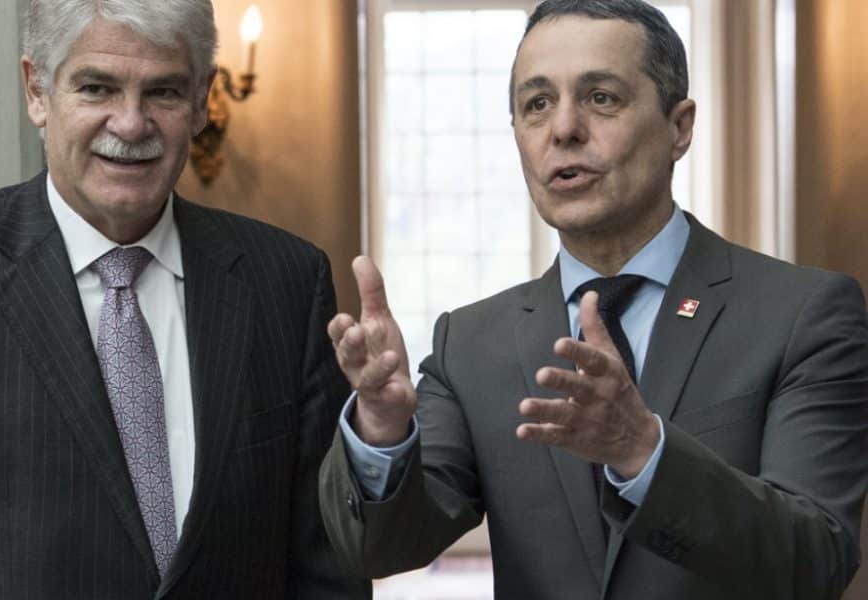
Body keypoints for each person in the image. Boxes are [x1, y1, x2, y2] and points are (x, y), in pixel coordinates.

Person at [319, 1, 868, 598]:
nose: (563, 129)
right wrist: (382, 431)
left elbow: (817, 559)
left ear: (680, 128)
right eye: (537, 104)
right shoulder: (470, 344)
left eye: (601, 97)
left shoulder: (803, 315)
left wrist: (642, 451)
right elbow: (382, 548)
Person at [0, 1, 369, 598]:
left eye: (163, 92)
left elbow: (327, 566)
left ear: (202, 100)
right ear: (36, 90)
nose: (131, 124)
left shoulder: (287, 280)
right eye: (97, 88)